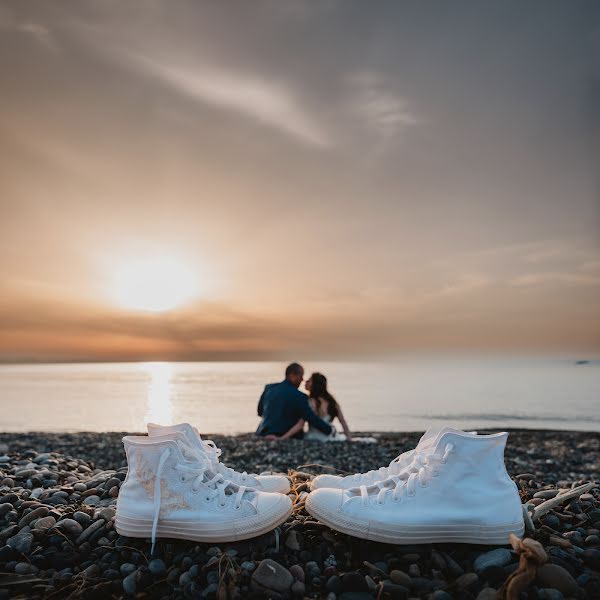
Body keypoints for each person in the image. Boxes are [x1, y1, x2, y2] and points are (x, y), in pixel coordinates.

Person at [256, 363, 335, 439]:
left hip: (263, 432)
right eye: (301, 376)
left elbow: (260, 412)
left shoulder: (269, 388)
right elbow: (311, 417)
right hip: (285, 434)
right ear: (292, 375)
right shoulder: (300, 396)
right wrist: (329, 430)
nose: (302, 380)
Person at [276, 372, 352, 441]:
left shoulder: (309, 401)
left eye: (309, 381)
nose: (305, 381)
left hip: (314, 437)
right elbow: (342, 421)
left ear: (315, 385)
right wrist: (349, 438)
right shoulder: (332, 402)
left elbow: (300, 424)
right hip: (331, 436)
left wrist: (282, 438)